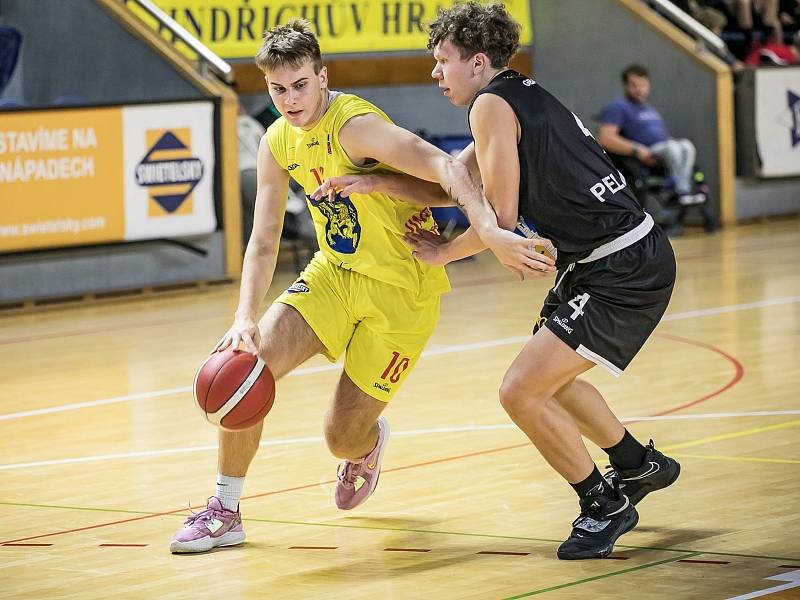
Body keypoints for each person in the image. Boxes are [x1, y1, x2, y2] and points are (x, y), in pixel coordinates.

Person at [169, 18, 550, 554]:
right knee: (243, 369)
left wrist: (484, 229)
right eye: (278, 89)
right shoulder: (279, 142)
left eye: (300, 84)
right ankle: (225, 509)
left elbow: (446, 166)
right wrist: (243, 318)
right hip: (336, 274)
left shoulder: (356, 127)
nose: (290, 99)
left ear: (322, 77)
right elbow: (262, 241)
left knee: (339, 437)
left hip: (402, 291)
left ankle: (364, 446)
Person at [318, 2, 681, 561]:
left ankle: (603, 503)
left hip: (622, 266)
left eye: (443, 62)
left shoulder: (490, 106)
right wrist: (374, 186)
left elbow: (501, 222)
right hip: (610, 259)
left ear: (477, 61)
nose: (435, 73)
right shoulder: (514, 95)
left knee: (519, 391)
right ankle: (637, 464)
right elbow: (458, 184)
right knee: (550, 383)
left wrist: (444, 253)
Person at [597, 64, 705, 206]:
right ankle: (678, 192)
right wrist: (637, 150)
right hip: (645, 154)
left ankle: (683, 191)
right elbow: (605, 139)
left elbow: (664, 137)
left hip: (665, 150)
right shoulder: (618, 107)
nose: (639, 89)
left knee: (686, 145)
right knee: (673, 148)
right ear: (625, 86)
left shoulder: (649, 109)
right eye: (634, 85)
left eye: (643, 85)